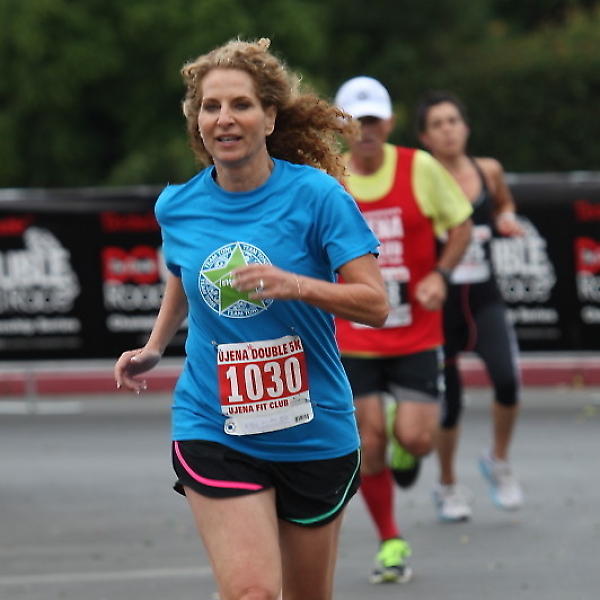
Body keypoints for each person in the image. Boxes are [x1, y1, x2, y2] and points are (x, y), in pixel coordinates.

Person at [114, 39, 389, 600]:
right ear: (197, 122)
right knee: (253, 593)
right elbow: (183, 272)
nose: (224, 118)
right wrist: (155, 345)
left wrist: (295, 285)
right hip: (215, 423)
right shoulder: (177, 206)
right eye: (210, 107)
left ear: (269, 117)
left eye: (240, 104)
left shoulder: (318, 198)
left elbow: (375, 303)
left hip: (312, 428)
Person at [333, 76, 473, 584]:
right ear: (341, 126)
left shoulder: (420, 168)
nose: (366, 130)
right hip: (354, 335)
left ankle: (402, 439)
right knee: (367, 444)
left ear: (389, 122)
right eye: (356, 121)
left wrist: (440, 275)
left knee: (416, 440)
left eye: (374, 120)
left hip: (416, 332)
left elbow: (461, 225)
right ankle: (390, 539)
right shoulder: (329, 177)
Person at [416, 90, 524, 523]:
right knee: (450, 402)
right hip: (439, 302)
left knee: (507, 380)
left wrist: (506, 217)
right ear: (425, 137)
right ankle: (446, 484)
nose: (448, 130)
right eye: (437, 124)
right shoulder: (420, 177)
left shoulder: (488, 170)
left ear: (466, 127)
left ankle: (498, 459)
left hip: (483, 295)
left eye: (453, 121)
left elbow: (504, 202)